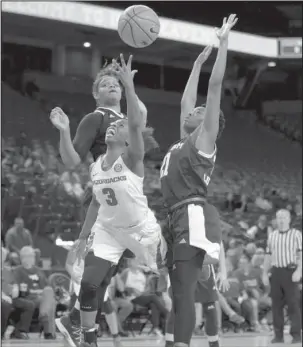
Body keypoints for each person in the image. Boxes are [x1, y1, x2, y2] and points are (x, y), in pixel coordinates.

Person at [54, 54, 166, 347]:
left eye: (114, 83)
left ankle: (74, 322)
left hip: (127, 200)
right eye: (104, 84)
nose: (111, 86)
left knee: (107, 273)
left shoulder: (126, 120)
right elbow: (71, 160)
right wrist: (65, 131)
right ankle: (80, 327)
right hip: (104, 198)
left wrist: (128, 83)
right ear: (96, 94)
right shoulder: (97, 117)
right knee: (96, 272)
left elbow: (140, 116)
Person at [160, 15, 238, 347]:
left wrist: (223, 44)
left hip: (190, 214)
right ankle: (202, 266)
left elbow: (216, 86)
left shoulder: (204, 139)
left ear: (207, 121)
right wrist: (195, 65)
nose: (195, 110)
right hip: (172, 216)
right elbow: (183, 103)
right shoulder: (183, 140)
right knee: (178, 291)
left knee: (185, 292)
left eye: (202, 109)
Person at [165, 242, 232, 347]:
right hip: (180, 266)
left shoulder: (209, 227)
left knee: (210, 306)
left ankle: (214, 343)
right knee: (177, 308)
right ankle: (169, 343)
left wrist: (223, 272)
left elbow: (220, 245)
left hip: (204, 266)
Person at [62, 244, 123, 347]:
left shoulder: (105, 244)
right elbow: (68, 263)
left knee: (106, 308)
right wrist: (73, 275)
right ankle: (70, 337)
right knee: (78, 313)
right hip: (80, 279)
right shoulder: (79, 244)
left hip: (97, 280)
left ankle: (114, 337)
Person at [262, 209, 302, 344]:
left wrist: (299, 271)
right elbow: (268, 256)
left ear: (289, 219)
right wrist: (264, 273)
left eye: (284, 217)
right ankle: (278, 335)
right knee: (276, 306)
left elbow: (300, 255)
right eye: (279, 217)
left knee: (293, 305)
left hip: (290, 272)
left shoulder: (296, 234)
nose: (281, 220)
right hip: (276, 272)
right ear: (276, 219)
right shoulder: (272, 236)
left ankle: (296, 335)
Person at [13, 246, 57, 339]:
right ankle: (48, 331)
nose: (32, 258)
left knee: (49, 294)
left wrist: (44, 291)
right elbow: (19, 288)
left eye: (32, 256)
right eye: (29, 256)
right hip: (28, 297)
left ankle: (44, 317)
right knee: (49, 300)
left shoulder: (38, 270)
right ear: (22, 257)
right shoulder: (18, 271)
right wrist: (37, 291)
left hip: (41, 296)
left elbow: (46, 287)